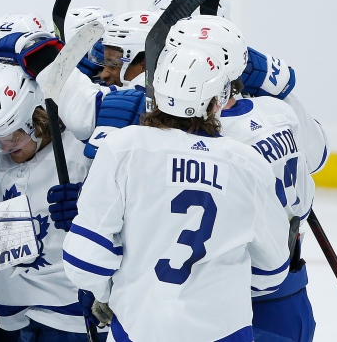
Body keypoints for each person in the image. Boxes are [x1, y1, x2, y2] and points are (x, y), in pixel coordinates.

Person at [62, 45, 291, 341]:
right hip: (225, 330)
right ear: (216, 98)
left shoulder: (123, 147)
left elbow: (86, 258)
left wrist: (106, 293)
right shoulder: (248, 163)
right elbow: (272, 270)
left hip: (139, 327)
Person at [163, 15, 326, 341]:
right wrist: (279, 89)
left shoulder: (209, 140)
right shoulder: (277, 111)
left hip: (231, 307)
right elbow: (319, 156)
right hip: (291, 296)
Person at [0, 62, 103, 341]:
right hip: (8, 314)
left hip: (71, 315)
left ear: (38, 116)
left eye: (13, 134)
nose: (5, 146)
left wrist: (94, 207)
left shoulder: (81, 150)